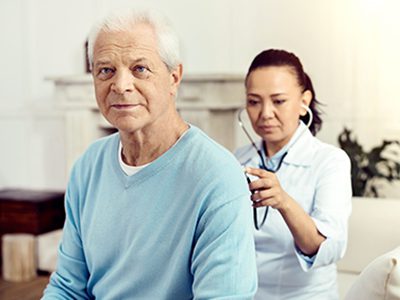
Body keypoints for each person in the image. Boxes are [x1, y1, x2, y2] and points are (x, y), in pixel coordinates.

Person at [42, 10, 257, 299]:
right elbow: (67, 287)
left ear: (174, 77)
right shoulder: (88, 166)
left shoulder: (217, 176)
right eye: (105, 70)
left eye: (140, 68)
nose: (120, 85)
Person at [235, 49, 352, 300]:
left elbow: (327, 249)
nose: (265, 113)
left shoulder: (330, 162)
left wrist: (284, 202)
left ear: (304, 102)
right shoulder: (238, 160)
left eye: (278, 101)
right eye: (254, 101)